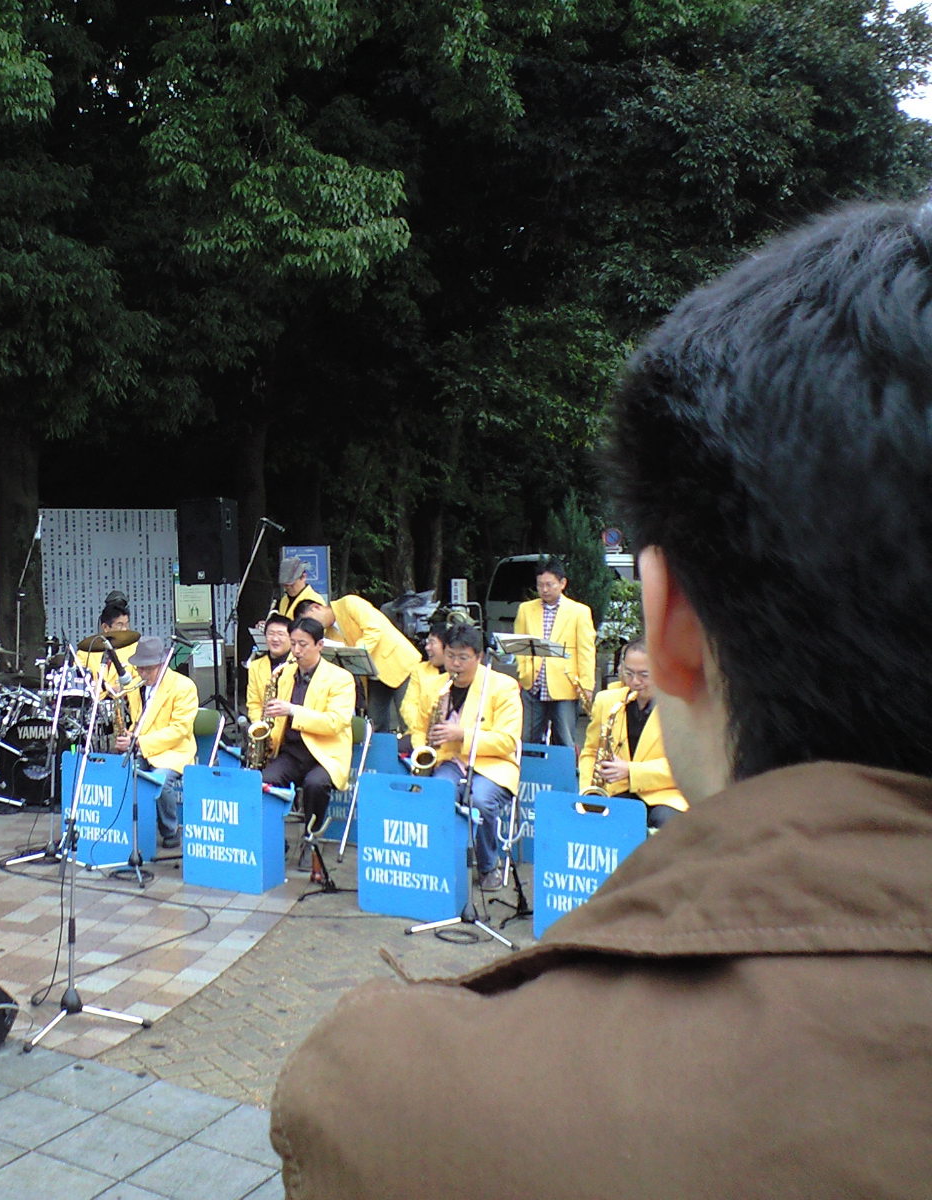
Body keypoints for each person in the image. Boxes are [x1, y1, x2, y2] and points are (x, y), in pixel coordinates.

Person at [271, 202, 932, 1196]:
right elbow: (453, 735)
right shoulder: (386, 675)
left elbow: (546, 735)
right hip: (541, 751)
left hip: (548, 729)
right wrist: (449, 739)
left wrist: (573, 740)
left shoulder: (405, 1095)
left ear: (662, 630)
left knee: (509, 796)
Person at [412, 623, 521, 889]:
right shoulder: (436, 687)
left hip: (493, 764)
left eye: (463, 658)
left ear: (479, 657)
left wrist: (462, 734)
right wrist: (421, 748)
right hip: (449, 761)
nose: (455, 664)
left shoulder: (503, 686)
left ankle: (488, 866)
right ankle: (441, 862)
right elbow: (418, 727)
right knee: (437, 794)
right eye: (450, 656)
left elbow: (507, 741)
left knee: (480, 801)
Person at [259, 617, 355, 834]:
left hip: (324, 755)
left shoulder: (341, 678)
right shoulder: (284, 675)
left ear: (319, 645)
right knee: (263, 782)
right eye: (293, 644)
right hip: (291, 753)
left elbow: (335, 722)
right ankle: (273, 841)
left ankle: (311, 842)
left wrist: (292, 710)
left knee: (315, 785)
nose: (296, 651)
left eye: (303, 644)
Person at [577, 639, 684, 829]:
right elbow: (591, 752)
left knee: (665, 822)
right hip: (618, 790)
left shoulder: (683, 708)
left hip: (666, 794)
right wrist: (588, 790)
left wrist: (631, 771)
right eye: (629, 673)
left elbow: (686, 768)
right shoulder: (606, 701)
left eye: (644, 675)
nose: (635, 682)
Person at [294, 594, 421, 733]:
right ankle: (380, 753)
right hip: (373, 673)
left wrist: (355, 652)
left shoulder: (349, 603)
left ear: (316, 608)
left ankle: (416, 754)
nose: (313, 627)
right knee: (375, 722)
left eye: (311, 621)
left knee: (408, 720)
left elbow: (374, 629)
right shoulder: (329, 634)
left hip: (399, 663)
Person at [116, 636, 198, 848]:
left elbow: (180, 730)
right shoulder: (137, 686)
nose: (142, 674)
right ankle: (130, 829)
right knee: (122, 776)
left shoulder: (183, 686)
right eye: (140, 669)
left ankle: (170, 830)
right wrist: (129, 736)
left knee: (159, 781)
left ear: (162, 665)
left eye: (148, 669)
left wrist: (139, 742)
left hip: (174, 751)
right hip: (142, 746)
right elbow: (138, 720)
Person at [511, 557, 595, 747]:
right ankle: (529, 776)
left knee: (564, 739)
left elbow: (586, 651)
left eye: (549, 584)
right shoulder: (525, 609)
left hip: (565, 684)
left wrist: (587, 685)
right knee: (527, 738)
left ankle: (564, 775)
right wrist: (523, 672)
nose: (545, 590)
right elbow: (519, 644)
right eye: (540, 585)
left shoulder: (579, 611)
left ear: (562, 583)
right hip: (533, 683)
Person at [397, 626, 448, 754]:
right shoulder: (420, 670)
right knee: (390, 752)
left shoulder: (463, 673)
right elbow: (408, 705)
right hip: (418, 734)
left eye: (432, 642)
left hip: (449, 738)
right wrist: (423, 729)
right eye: (427, 642)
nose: (427, 647)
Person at [76, 597, 139, 697]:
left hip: (126, 706)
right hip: (96, 706)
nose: (125, 629)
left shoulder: (135, 648)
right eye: (120, 625)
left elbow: (142, 677)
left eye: (127, 624)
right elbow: (78, 680)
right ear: (105, 627)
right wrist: (104, 688)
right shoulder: (85, 652)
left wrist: (124, 688)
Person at [245, 613, 294, 725]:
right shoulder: (255, 666)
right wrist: (259, 726)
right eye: (271, 634)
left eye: (281, 634)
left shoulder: (299, 664)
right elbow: (253, 703)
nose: (275, 639)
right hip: (265, 726)